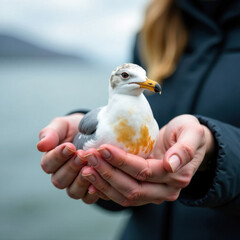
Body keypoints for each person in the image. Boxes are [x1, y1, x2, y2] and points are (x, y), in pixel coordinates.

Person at [37, 0, 240, 239]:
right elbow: (116, 185)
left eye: (143, 78)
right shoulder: (155, 28)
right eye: (127, 76)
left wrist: (214, 157)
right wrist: (108, 190)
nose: (147, 82)